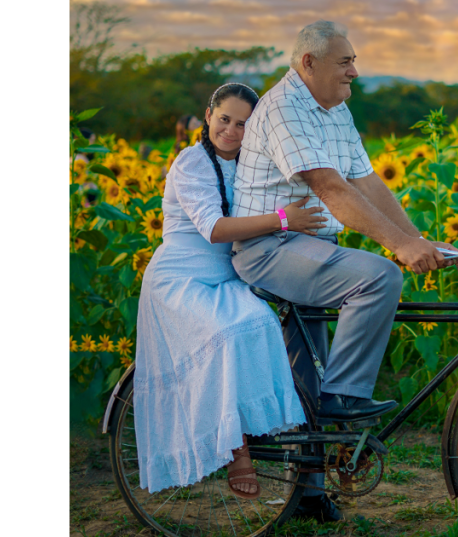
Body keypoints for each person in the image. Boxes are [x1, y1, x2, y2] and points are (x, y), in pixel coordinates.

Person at [231, 21, 457, 521]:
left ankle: (306, 493)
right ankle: (346, 397)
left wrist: (414, 237)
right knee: (378, 276)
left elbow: (365, 181)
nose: (355, 70)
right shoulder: (287, 107)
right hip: (270, 247)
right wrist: (396, 248)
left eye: (354, 60)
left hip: (309, 247)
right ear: (308, 63)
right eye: (345, 61)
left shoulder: (334, 110)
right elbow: (329, 187)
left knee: (306, 372)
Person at [133, 83, 329, 499]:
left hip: (229, 277)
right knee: (230, 332)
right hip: (182, 280)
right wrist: (282, 219)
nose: (232, 131)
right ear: (208, 116)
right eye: (225, 119)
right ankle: (237, 447)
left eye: (243, 124)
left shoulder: (252, 165)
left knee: (259, 322)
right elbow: (214, 228)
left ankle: (277, 439)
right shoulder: (191, 164)